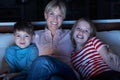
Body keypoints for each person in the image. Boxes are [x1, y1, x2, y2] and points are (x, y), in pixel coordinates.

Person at [27, 0, 78, 80]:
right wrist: (5, 68)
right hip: (46, 73)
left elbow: (89, 43)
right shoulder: (36, 35)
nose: (55, 19)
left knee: (42, 60)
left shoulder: (70, 34)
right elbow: (16, 47)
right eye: (52, 14)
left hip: (67, 72)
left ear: (63, 18)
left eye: (59, 15)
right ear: (45, 15)